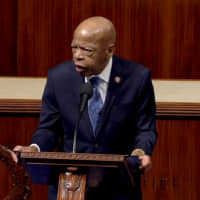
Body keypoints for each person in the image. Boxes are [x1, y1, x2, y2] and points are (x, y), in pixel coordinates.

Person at [13, 16, 157, 200]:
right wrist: (35, 148)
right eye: (74, 47)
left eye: (87, 50)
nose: (77, 55)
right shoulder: (59, 77)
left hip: (118, 187)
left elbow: (145, 129)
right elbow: (48, 128)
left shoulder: (137, 78)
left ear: (109, 50)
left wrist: (140, 152)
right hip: (69, 186)